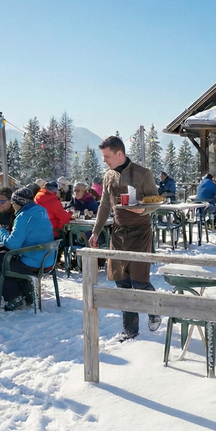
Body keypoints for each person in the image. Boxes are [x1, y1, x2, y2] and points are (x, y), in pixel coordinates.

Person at [89, 135, 161, 341]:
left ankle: (154, 309)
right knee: (122, 282)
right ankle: (130, 329)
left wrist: (144, 210)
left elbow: (155, 200)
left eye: (107, 156)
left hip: (140, 231)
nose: (105, 161)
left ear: (119, 153)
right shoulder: (109, 176)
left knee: (139, 280)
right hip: (119, 232)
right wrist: (96, 231)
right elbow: (104, 205)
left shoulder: (143, 173)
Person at [0, 187, 55, 311]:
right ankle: (28, 294)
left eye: (13, 203)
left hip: (33, 262)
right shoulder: (41, 210)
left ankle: (14, 298)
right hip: (48, 258)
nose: (13, 206)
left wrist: (1, 231)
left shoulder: (23, 217)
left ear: (19, 203)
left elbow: (13, 245)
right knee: (7, 259)